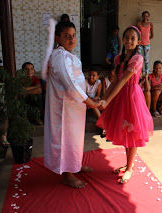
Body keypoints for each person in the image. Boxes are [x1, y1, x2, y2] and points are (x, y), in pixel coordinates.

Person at [43, 21, 100, 189]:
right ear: (58, 38)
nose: (72, 39)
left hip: (75, 108)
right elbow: (70, 85)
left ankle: (75, 165)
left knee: (75, 139)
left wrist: (88, 101)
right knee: (65, 139)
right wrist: (91, 103)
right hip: (64, 109)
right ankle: (67, 174)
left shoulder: (70, 55)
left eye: (74, 36)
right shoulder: (59, 56)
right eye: (67, 36)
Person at [97, 26, 153, 184]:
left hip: (132, 97)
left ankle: (129, 167)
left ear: (138, 42)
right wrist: (104, 97)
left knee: (133, 133)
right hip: (120, 97)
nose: (129, 41)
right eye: (126, 38)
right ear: (123, 39)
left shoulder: (138, 58)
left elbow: (123, 81)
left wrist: (107, 101)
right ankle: (129, 163)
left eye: (132, 38)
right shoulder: (118, 58)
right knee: (125, 131)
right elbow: (115, 80)